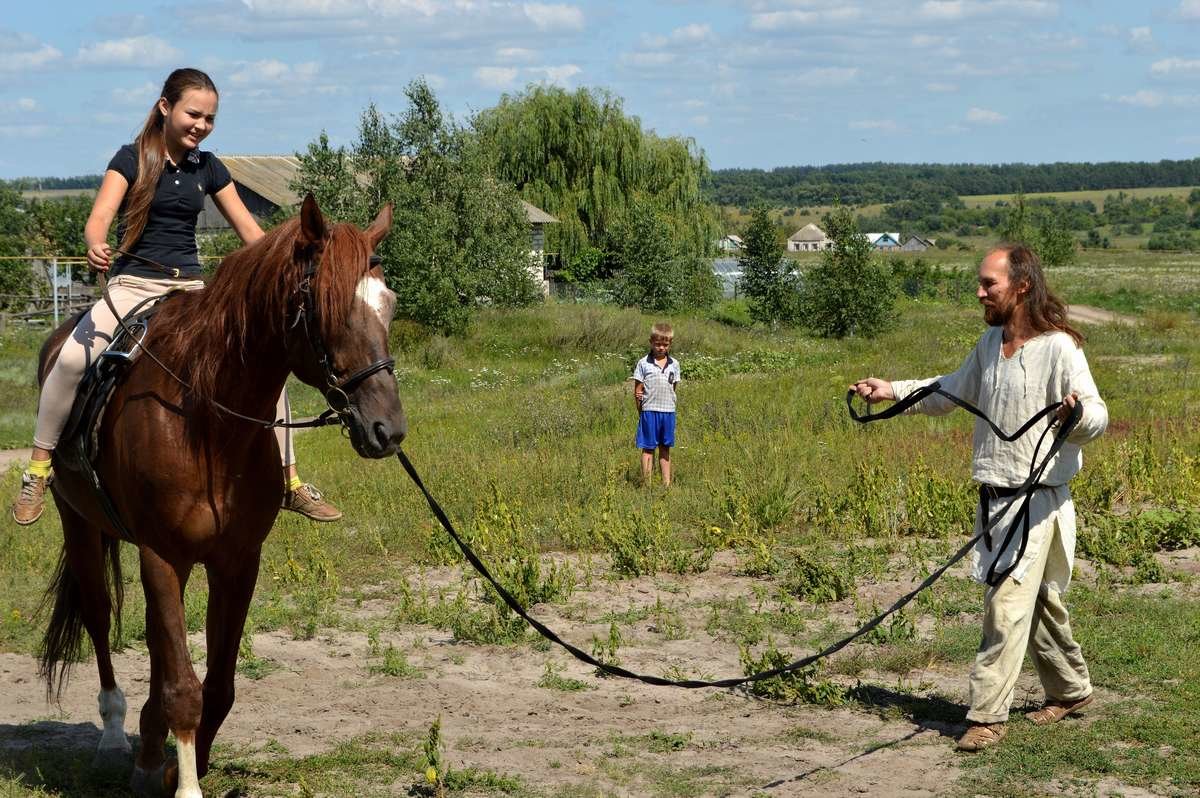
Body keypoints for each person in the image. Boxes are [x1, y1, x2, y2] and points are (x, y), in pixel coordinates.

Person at [10, 67, 341, 526]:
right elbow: (98, 217)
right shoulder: (130, 160)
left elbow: (252, 233)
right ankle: (39, 469)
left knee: (270, 374)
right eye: (193, 114)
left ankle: (289, 481)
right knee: (69, 360)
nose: (201, 126)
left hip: (191, 289)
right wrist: (94, 242)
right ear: (165, 107)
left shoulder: (210, 168)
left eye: (209, 118)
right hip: (135, 285)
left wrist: (284, 265)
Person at [850, 244, 1108, 752]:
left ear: (1022, 285)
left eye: (989, 283)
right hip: (995, 498)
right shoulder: (990, 345)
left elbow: (1096, 412)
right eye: (981, 282)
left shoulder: (1060, 347)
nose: (980, 292)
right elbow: (949, 391)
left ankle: (987, 715)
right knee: (1037, 606)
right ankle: (1072, 689)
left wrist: (1075, 417)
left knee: (1005, 606)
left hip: (1038, 502)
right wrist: (892, 391)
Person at [632, 322, 680, 487]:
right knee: (647, 448)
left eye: (665, 344)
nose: (661, 348)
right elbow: (637, 390)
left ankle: (667, 484)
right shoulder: (643, 363)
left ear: (670, 344)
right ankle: (647, 485)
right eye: (658, 344)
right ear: (651, 342)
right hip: (649, 411)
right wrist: (641, 411)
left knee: (665, 448)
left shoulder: (675, 364)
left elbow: (673, 387)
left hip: (668, 412)